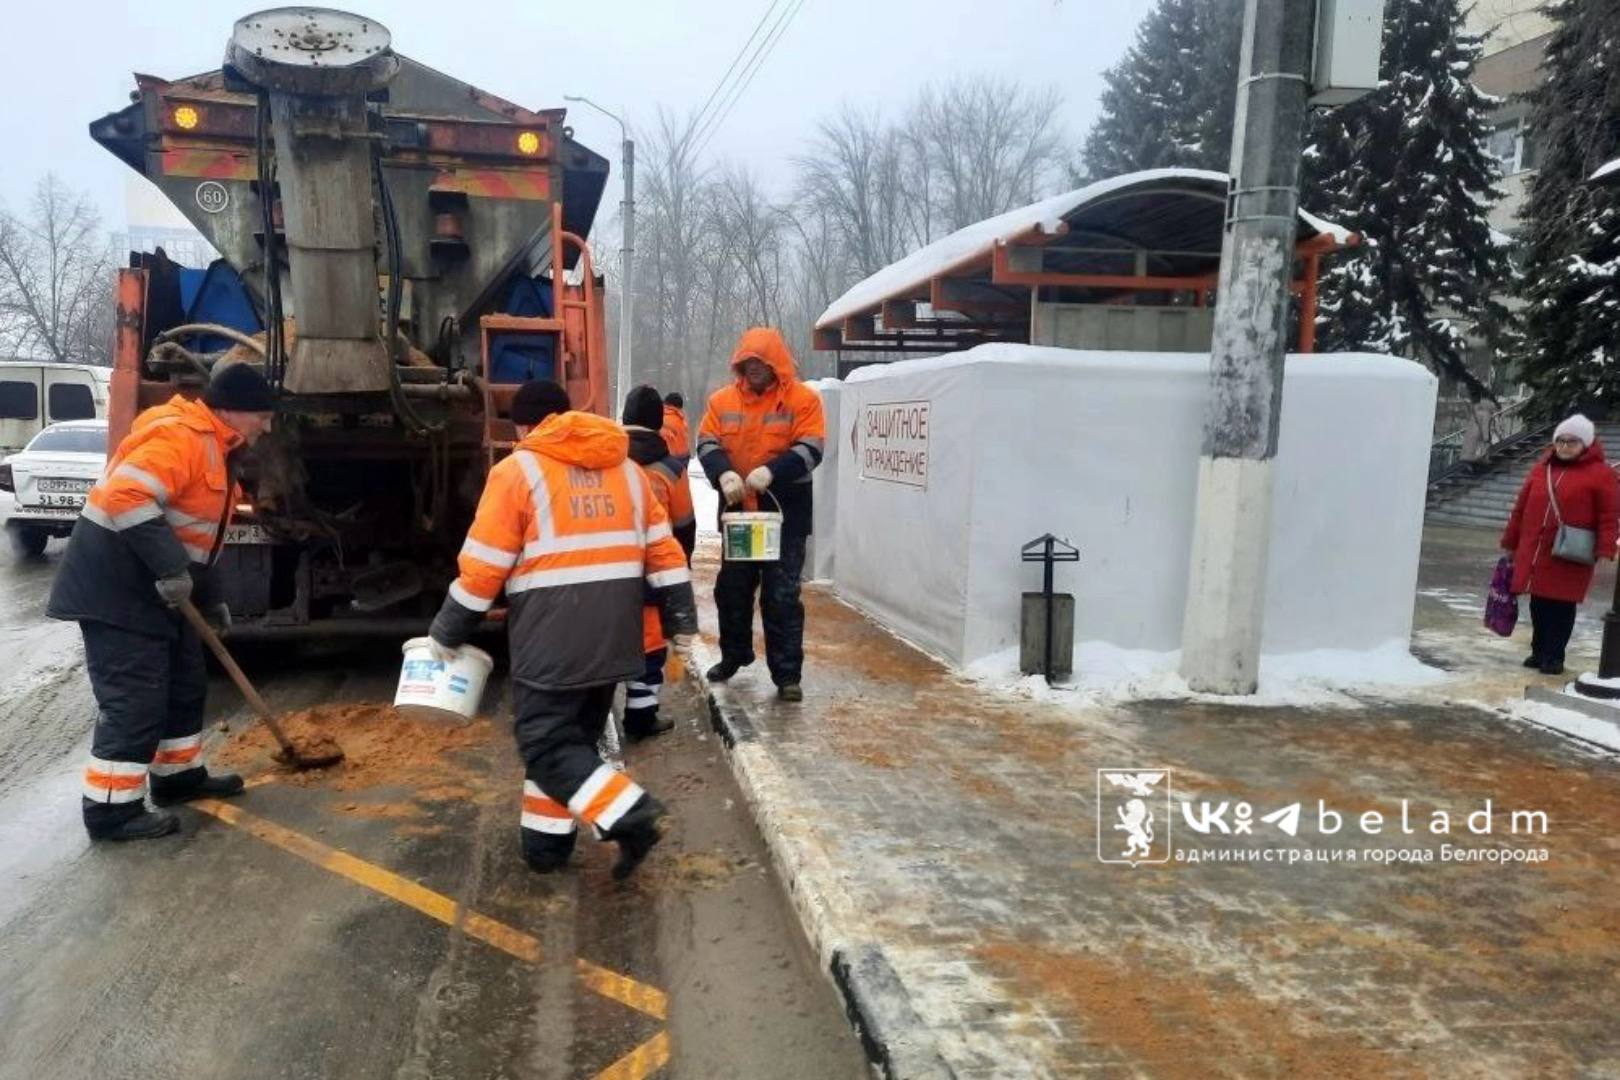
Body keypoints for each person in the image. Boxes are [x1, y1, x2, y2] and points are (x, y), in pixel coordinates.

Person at [427, 380, 696, 879]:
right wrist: (682, 619)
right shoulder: (630, 474)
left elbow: (483, 570)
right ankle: (546, 847)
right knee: (572, 745)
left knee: (545, 745)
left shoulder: (517, 472)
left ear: (526, 426)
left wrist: (446, 631)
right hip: (615, 638)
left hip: (553, 640)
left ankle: (631, 814)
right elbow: (666, 554)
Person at [48, 363, 275, 841]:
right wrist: (171, 570)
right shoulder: (182, 437)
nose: (267, 425)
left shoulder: (218, 447)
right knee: (136, 700)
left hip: (159, 595)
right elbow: (124, 496)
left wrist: (211, 600)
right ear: (231, 410)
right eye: (262, 414)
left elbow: (197, 538)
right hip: (118, 592)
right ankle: (112, 809)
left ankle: (177, 778)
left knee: (184, 685)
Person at [696, 327, 825, 702]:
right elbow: (706, 442)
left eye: (762, 362)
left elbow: (812, 447)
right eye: (748, 362)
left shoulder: (804, 400)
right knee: (732, 591)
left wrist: (773, 472)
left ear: (776, 363)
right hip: (739, 515)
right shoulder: (721, 401)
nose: (754, 368)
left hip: (784, 518)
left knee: (781, 596)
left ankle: (787, 676)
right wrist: (723, 471)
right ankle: (734, 655)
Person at [1501, 413, 1620, 675]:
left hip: (1571, 552)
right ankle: (1538, 650)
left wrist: (1606, 547)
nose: (1565, 446)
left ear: (1586, 444)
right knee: (1538, 604)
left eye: (1572, 441)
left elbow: (1609, 515)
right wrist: (1511, 542)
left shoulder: (1601, 474)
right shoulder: (1541, 469)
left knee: (1561, 606)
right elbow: (1520, 509)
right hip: (1535, 550)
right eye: (1561, 441)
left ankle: (1554, 656)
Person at [623, 384, 686, 739]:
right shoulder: (669, 468)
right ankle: (641, 717)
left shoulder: (606, 458)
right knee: (649, 647)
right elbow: (685, 523)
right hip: (653, 572)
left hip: (607, 570)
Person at [660, 391, 697, 562]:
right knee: (679, 508)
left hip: (666, 463)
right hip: (680, 463)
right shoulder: (680, 419)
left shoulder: (661, 417)